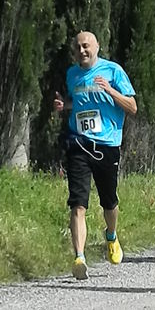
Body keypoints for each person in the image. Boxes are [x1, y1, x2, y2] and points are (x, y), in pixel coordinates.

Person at [54, 31, 137, 280]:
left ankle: (111, 235)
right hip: (79, 144)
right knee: (78, 203)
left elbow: (132, 107)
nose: (82, 51)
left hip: (107, 145)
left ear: (97, 47)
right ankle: (79, 257)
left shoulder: (113, 71)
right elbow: (78, 102)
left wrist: (110, 91)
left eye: (86, 46)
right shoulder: (72, 75)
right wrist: (64, 106)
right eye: (78, 47)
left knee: (109, 201)